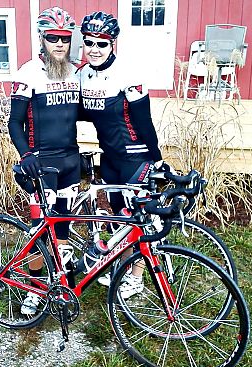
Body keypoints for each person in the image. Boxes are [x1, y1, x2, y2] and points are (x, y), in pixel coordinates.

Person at [77, 11, 167, 299]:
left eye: (101, 44)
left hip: (135, 156)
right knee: (120, 216)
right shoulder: (82, 74)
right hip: (111, 157)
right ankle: (128, 266)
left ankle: (137, 278)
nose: (94, 49)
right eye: (89, 42)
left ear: (113, 44)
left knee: (136, 218)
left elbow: (144, 121)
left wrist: (156, 158)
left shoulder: (128, 73)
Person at [7, 7, 81, 315]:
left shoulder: (76, 71)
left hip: (70, 162)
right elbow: (14, 122)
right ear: (42, 39)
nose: (60, 44)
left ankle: (60, 281)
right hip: (41, 164)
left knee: (62, 228)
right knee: (39, 229)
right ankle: (35, 289)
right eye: (53, 38)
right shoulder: (28, 72)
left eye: (65, 38)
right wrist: (26, 156)